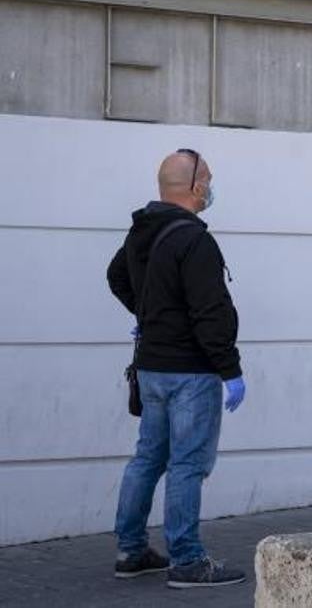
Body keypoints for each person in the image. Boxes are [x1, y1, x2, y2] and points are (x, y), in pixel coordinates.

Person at [106, 149, 247, 588]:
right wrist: (230, 369)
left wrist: (149, 318)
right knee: (187, 464)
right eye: (207, 177)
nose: (210, 185)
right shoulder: (194, 240)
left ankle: (130, 551)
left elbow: (116, 276)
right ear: (193, 187)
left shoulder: (141, 232)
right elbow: (211, 311)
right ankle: (186, 561)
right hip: (191, 370)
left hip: (151, 368)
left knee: (148, 457)